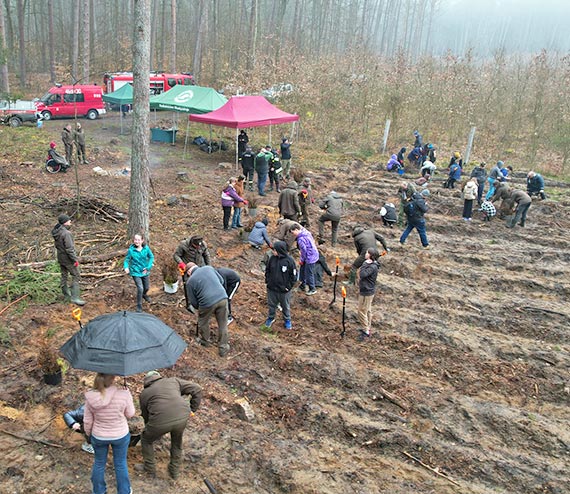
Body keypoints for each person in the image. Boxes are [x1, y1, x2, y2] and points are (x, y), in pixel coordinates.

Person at [139, 371, 202, 480]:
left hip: (160, 421)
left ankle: (150, 469)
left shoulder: (144, 394)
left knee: (146, 439)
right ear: (158, 377)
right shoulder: (173, 381)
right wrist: (193, 409)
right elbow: (197, 388)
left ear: (147, 382)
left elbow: (146, 416)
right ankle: (174, 471)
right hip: (182, 417)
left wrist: (153, 431)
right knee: (177, 442)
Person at [84, 373, 135, 494]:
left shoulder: (91, 397)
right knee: (120, 463)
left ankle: (98, 491)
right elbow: (130, 414)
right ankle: (124, 491)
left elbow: (87, 421)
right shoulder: (123, 394)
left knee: (99, 463)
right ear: (113, 378)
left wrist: (89, 435)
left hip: (99, 435)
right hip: (120, 435)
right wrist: (128, 395)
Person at [185, 264, 230, 357]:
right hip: (223, 297)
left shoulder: (190, 281)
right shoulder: (208, 268)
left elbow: (193, 302)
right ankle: (223, 348)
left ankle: (205, 341)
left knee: (203, 322)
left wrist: (201, 309)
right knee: (223, 323)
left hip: (207, 302)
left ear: (189, 272)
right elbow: (221, 280)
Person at [52, 213, 85, 305]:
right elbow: (69, 249)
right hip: (67, 259)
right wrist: (75, 260)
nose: (70, 221)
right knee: (76, 275)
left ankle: (67, 296)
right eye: (69, 220)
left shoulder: (56, 232)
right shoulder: (66, 233)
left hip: (60, 257)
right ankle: (75, 298)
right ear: (65, 223)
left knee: (64, 276)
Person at [264, 241, 297, 330]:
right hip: (272, 288)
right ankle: (271, 317)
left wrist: (288, 287)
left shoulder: (289, 261)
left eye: (274, 250)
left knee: (285, 306)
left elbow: (293, 276)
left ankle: (287, 320)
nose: (273, 251)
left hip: (284, 290)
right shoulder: (272, 259)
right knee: (271, 305)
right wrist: (268, 281)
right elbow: (267, 270)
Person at [123, 233, 154, 312]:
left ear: (142, 240)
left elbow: (151, 257)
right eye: (135, 240)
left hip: (144, 271)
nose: (136, 241)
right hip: (135, 272)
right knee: (140, 288)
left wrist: (148, 267)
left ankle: (144, 295)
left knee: (146, 287)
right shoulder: (131, 250)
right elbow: (126, 260)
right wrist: (126, 267)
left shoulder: (146, 248)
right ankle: (139, 306)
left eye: (138, 240)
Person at [357, 248, 380, 341]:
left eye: (367, 253)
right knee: (368, 310)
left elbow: (362, 274)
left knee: (361, 311)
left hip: (367, 292)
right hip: (366, 290)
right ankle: (368, 327)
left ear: (370, 255)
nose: (365, 254)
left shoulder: (372, 267)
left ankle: (366, 330)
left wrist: (364, 264)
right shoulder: (371, 265)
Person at [290, 223, 319, 295]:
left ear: (296, 230)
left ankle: (312, 288)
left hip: (310, 257)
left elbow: (304, 251)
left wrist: (302, 260)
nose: (293, 234)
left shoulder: (300, 239)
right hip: (313, 254)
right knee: (302, 270)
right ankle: (302, 285)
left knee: (309, 273)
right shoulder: (307, 233)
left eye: (293, 232)